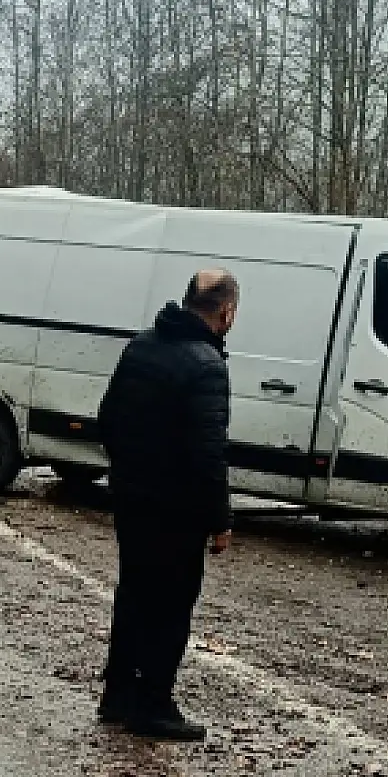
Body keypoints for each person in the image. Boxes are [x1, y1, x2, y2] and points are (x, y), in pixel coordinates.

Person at [96, 268, 240, 741]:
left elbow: (107, 418)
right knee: (172, 605)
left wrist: (128, 472)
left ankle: (117, 697)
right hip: (176, 512)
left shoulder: (140, 347)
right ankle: (154, 704)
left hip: (131, 499)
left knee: (133, 595)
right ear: (225, 312)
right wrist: (220, 522)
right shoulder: (207, 366)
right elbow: (208, 456)